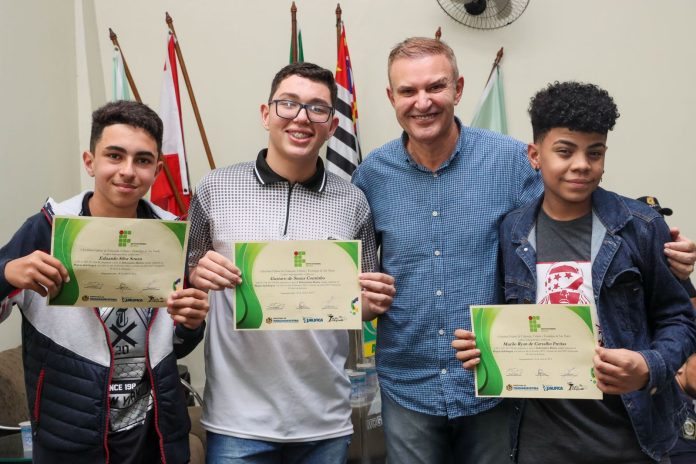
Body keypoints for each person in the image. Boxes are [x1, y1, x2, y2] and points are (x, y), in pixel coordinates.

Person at [351, 36, 696, 464]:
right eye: (408, 90)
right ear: (392, 97)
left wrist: (665, 254)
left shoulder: (512, 160)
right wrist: (356, 300)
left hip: (499, 383)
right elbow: (361, 278)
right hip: (408, 379)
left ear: (458, 88)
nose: (423, 101)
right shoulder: (371, 175)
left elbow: (576, 216)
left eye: (436, 86)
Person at [455, 81, 696, 463]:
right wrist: (482, 347)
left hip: (630, 440)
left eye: (594, 152)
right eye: (565, 151)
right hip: (539, 445)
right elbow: (507, 318)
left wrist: (649, 366)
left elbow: (680, 318)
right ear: (535, 155)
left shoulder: (641, 226)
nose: (582, 164)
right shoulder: (512, 231)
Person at [186, 62, 395, 464]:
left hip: (324, 419)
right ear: (266, 114)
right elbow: (187, 278)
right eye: (288, 104)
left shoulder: (353, 201)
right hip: (236, 421)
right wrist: (198, 274)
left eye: (317, 108)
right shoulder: (215, 188)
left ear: (332, 126)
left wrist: (372, 303)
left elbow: (363, 303)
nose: (301, 117)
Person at [0, 100, 209, 463]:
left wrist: (191, 324)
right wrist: (6, 275)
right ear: (90, 161)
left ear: (157, 170)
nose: (128, 171)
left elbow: (175, 344)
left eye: (142, 160)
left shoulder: (172, 236)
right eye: (114, 155)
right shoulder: (46, 229)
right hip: (71, 437)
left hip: (153, 435)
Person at [636, 196, 696, 464]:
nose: (654, 227)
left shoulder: (677, 268)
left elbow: (689, 321)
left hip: (669, 379)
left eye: (659, 219)